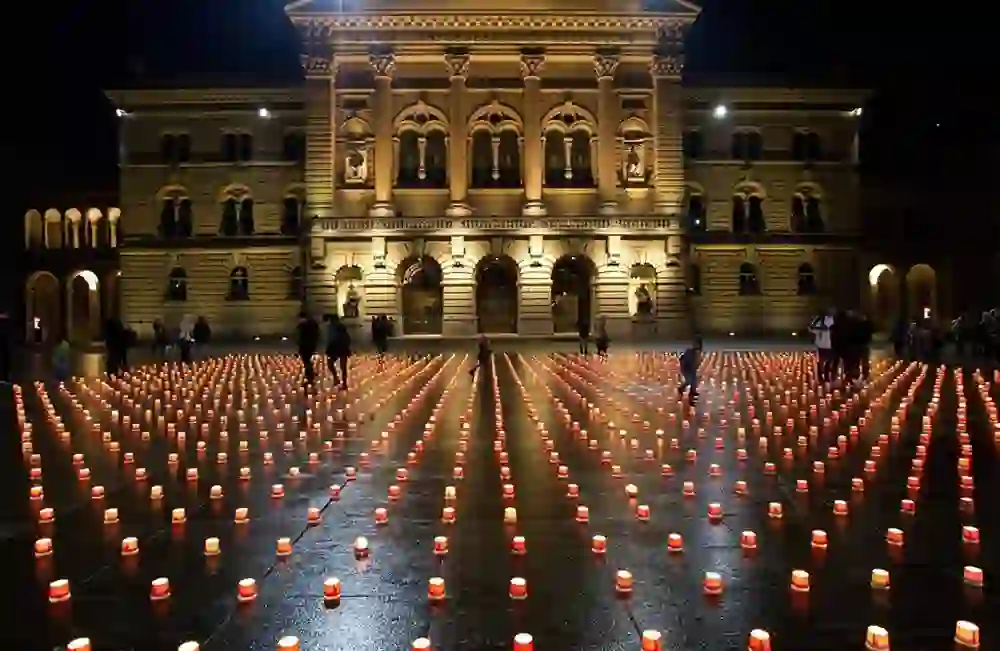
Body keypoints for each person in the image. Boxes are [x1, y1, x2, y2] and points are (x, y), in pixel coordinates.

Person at [324, 314, 351, 390]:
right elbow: (347, 337)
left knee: (330, 364)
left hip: (335, 348)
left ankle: (337, 379)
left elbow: (331, 338)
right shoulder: (340, 326)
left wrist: (329, 347)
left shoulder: (332, 327)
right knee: (343, 367)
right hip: (343, 348)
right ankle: (343, 383)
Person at [809, 309, 835, 382]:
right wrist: (822, 329)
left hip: (832, 343)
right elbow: (811, 328)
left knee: (829, 361)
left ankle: (826, 376)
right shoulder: (819, 319)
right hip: (822, 344)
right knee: (822, 360)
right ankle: (820, 375)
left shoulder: (835, 319)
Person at [296, 311, 320, 386]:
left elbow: (300, 336)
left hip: (305, 346)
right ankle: (310, 374)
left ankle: (310, 376)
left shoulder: (303, 325)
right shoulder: (313, 324)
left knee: (306, 361)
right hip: (311, 345)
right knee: (307, 361)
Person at [678, 336, 702, 402]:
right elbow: (684, 360)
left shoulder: (696, 352)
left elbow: (696, 361)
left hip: (691, 369)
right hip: (687, 368)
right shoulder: (690, 352)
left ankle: (692, 392)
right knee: (690, 380)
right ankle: (682, 390)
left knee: (693, 381)